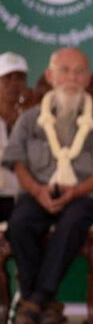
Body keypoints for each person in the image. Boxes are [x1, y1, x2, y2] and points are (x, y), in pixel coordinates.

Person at [1, 48, 93, 324]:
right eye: (65, 70)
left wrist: (76, 191)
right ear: (50, 76)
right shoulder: (29, 119)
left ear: (88, 78)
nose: (72, 77)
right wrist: (37, 191)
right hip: (38, 192)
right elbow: (18, 165)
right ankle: (42, 306)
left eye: (79, 71)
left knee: (72, 222)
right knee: (20, 223)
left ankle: (34, 301)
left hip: (85, 196)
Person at [0, 52, 31, 222]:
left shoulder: (33, 119)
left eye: (19, 78)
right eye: (7, 78)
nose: (14, 84)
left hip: (23, 196)